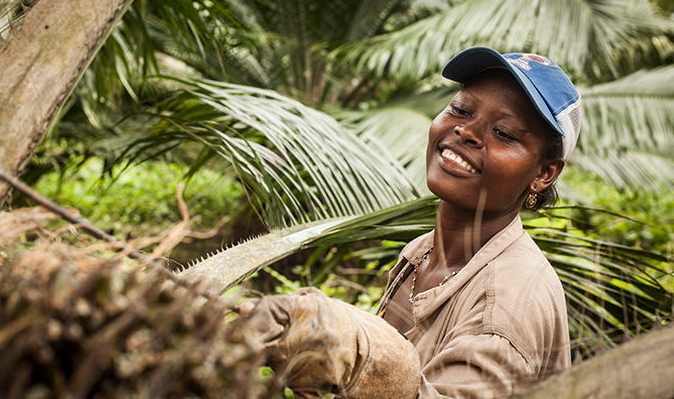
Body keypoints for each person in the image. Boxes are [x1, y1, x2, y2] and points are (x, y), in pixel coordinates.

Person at [239, 46, 580, 399]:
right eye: (461, 110)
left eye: (504, 133)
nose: (467, 131)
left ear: (544, 173)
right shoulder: (421, 253)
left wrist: (359, 355)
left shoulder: (504, 307)